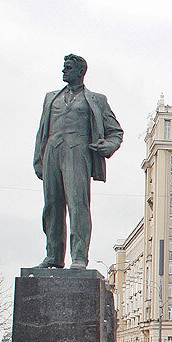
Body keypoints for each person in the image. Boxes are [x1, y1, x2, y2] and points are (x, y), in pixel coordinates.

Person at [33, 54, 123, 270]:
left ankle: (79, 257)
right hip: (52, 153)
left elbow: (115, 131)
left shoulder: (96, 99)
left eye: (68, 68)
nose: (64, 71)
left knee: (77, 205)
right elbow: (41, 132)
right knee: (52, 207)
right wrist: (38, 159)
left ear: (80, 71)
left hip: (78, 153)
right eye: (64, 67)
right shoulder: (50, 98)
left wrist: (109, 145)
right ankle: (53, 256)